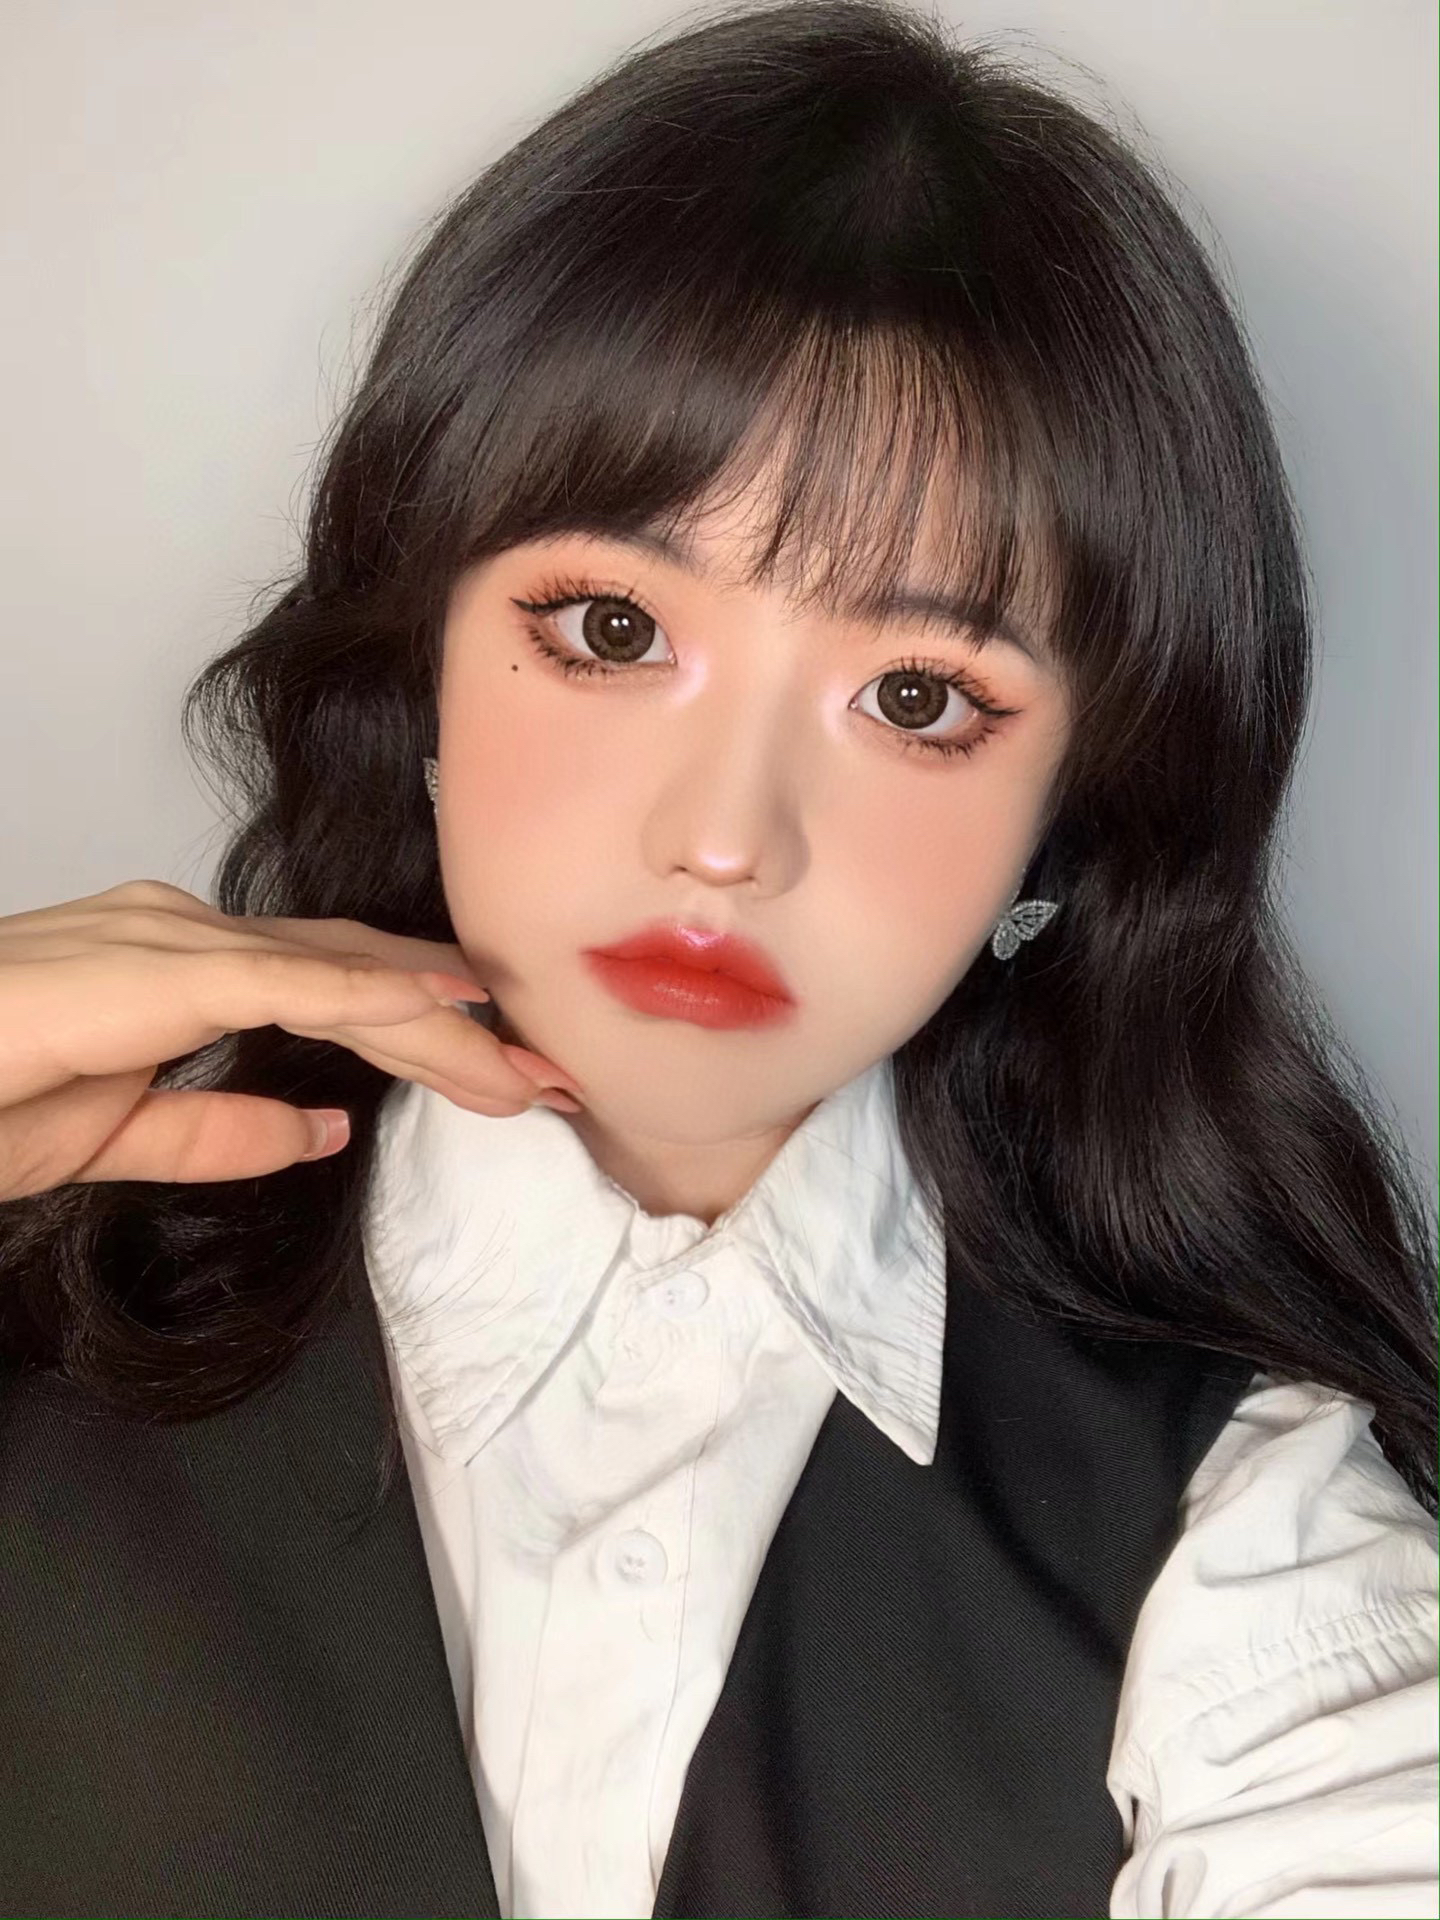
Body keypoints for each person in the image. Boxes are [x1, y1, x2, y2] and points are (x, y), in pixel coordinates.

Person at [0, 1, 1435, 1915]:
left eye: (917, 696)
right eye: (612, 630)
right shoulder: (40, 1335)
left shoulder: (1252, 1542)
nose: (727, 837)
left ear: (1071, 810)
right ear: (422, 665)